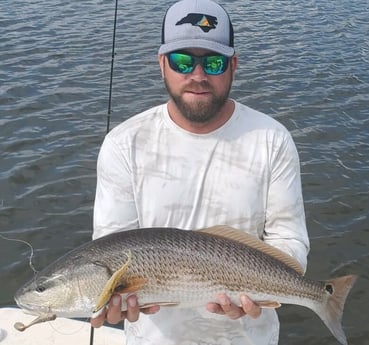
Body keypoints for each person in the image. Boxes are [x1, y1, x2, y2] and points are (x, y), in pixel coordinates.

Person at [91, 0, 310, 344]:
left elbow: (290, 239)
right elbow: (112, 245)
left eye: (213, 62)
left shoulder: (272, 139)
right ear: (162, 64)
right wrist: (110, 300)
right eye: (182, 61)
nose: (197, 75)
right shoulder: (123, 144)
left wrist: (258, 288)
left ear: (233, 65)